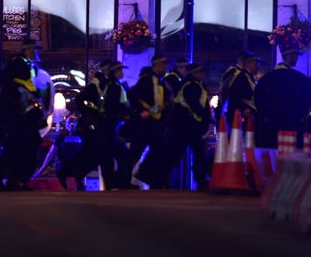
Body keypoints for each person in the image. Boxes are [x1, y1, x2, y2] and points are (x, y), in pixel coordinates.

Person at [0, 39, 44, 191]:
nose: (37, 53)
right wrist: (35, 94)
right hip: (16, 117)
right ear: (27, 50)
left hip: (16, 116)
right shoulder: (20, 64)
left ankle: (7, 179)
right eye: (35, 50)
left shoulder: (24, 65)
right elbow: (24, 86)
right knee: (23, 147)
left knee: (15, 149)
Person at [60, 61, 131, 191]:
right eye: (119, 70)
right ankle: (114, 183)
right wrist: (92, 117)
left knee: (98, 155)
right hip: (100, 127)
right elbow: (83, 101)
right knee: (105, 155)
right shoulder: (100, 84)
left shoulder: (113, 84)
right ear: (109, 71)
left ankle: (73, 173)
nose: (122, 72)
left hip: (106, 127)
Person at [127, 54, 171, 189]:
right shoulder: (146, 80)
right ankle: (142, 175)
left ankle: (146, 176)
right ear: (156, 65)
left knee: (148, 149)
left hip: (153, 121)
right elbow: (132, 95)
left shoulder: (160, 81)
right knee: (153, 148)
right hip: (144, 122)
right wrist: (141, 110)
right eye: (163, 63)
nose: (165, 66)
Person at [167, 63, 212, 189]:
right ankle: (200, 179)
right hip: (186, 125)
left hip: (188, 125)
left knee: (189, 152)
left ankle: (200, 178)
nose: (202, 74)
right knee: (186, 152)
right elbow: (195, 106)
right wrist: (206, 118)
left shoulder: (197, 85)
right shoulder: (191, 86)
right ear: (193, 73)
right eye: (199, 71)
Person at [226, 50, 259, 132]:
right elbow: (234, 95)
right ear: (248, 63)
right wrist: (243, 108)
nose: (258, 66)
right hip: (240, 116)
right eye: (255, 63)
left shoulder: (248, 77)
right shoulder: (241, 77)